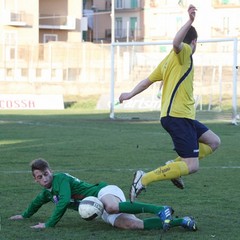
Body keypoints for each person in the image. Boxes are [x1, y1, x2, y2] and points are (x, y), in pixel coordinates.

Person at [118, 4, 221, 202]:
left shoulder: (167, 61)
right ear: (194, 42)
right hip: (178, 116)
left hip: (181, 117)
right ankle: (144, 178)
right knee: (192, 166)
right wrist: (190, 21)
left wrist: (130, 94)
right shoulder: (183, 54)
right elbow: (176, 43)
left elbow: (147, 81)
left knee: (214, 141)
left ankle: (174, 165)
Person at [9, 158, 197, 232]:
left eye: (46, 173)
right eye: (39, 177)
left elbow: (65, 200)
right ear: (36, 179)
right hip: (97, 206)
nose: (44, 178)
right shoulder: (47, 193)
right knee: (131, 225)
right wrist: (25, 215)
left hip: (103, 192)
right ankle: (182, 222)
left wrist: (48, 224)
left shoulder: (61, 180)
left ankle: (161, 209)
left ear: (51, 171)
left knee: (112, 206)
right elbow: (36, 202)